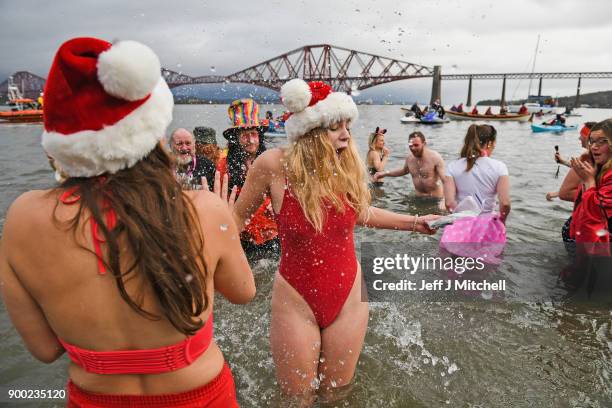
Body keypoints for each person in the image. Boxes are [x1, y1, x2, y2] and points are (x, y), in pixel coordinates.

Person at [0, 37, 254, 407]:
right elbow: (244, 292)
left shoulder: (23, 219)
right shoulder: (204, 209)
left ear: (61, 141)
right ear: (152, 128)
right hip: (202, 396)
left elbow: (44, 349)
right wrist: (229, 225)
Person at [222, 79, 439, 404]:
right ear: (310, 130)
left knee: (337, 396)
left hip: (349, 297)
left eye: (346, 126)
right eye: (335, 126)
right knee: (297, 398)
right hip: (295, 299)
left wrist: (414, 222)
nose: (346, 135)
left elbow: (360, 212)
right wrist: (212, 231)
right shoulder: (272, 166)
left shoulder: (344, 166)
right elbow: (235, 222)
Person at [217, 99, 280, 262]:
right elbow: (219, 201)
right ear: (235, 139)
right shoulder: (224, 166)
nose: (251, 140)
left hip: (272, 236)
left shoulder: (272, 161)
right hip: (242, 238)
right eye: (245, 135)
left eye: (254, 134)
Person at [442, 124, 510, 262]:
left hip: (460, 227)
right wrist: (502, 221)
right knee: (485, 272)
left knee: (453, 270)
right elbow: (505, 203)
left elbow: (449, 203)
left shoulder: (453, 166)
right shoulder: (499, 167)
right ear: (490, 143)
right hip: (487, 227)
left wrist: (461, 220)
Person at [568, 119, 612, 253]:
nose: (593, 146)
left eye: (601, 141)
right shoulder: (599, 169)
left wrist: (588, 181)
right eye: (592, 141)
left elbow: (593, 219)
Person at [373, 131, 449, 199]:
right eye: (411, 145)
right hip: (418, 198)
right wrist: (384, 173)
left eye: (416, 145)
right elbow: (404, 171)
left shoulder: (435, 158)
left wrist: (445, 200)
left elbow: (445, 180)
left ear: (424, 144)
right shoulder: (410, 159)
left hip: (435, 199)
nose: (413, 148)